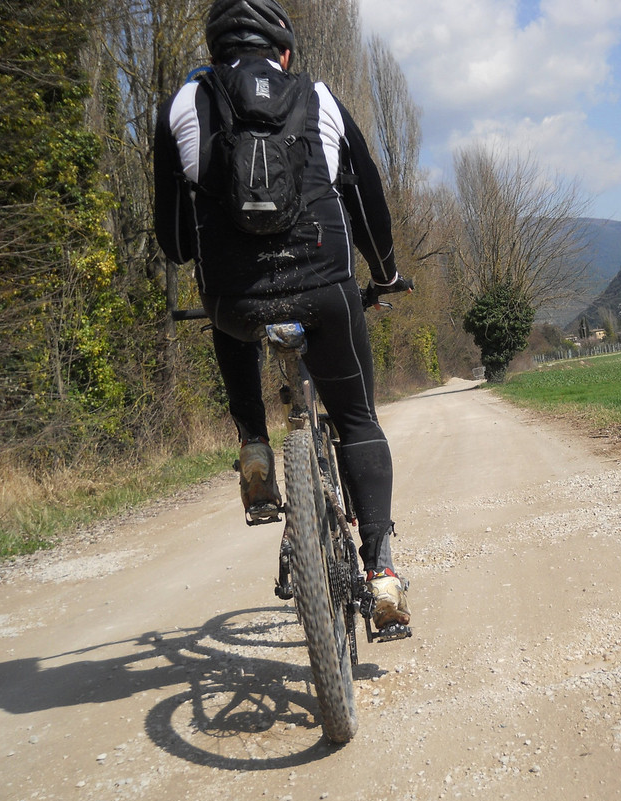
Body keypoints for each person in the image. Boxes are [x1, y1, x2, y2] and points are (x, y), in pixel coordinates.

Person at [153, 0, 410, 631]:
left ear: (213, 54)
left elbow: (177, 243)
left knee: (228, 313)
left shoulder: (181, 107)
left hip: (236, 303)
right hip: (324, 290)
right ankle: (380, 573)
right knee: (356, 419)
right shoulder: (320, 97)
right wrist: (384, 273)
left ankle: (255, 447)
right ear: (285, 53)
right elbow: (367, 193)